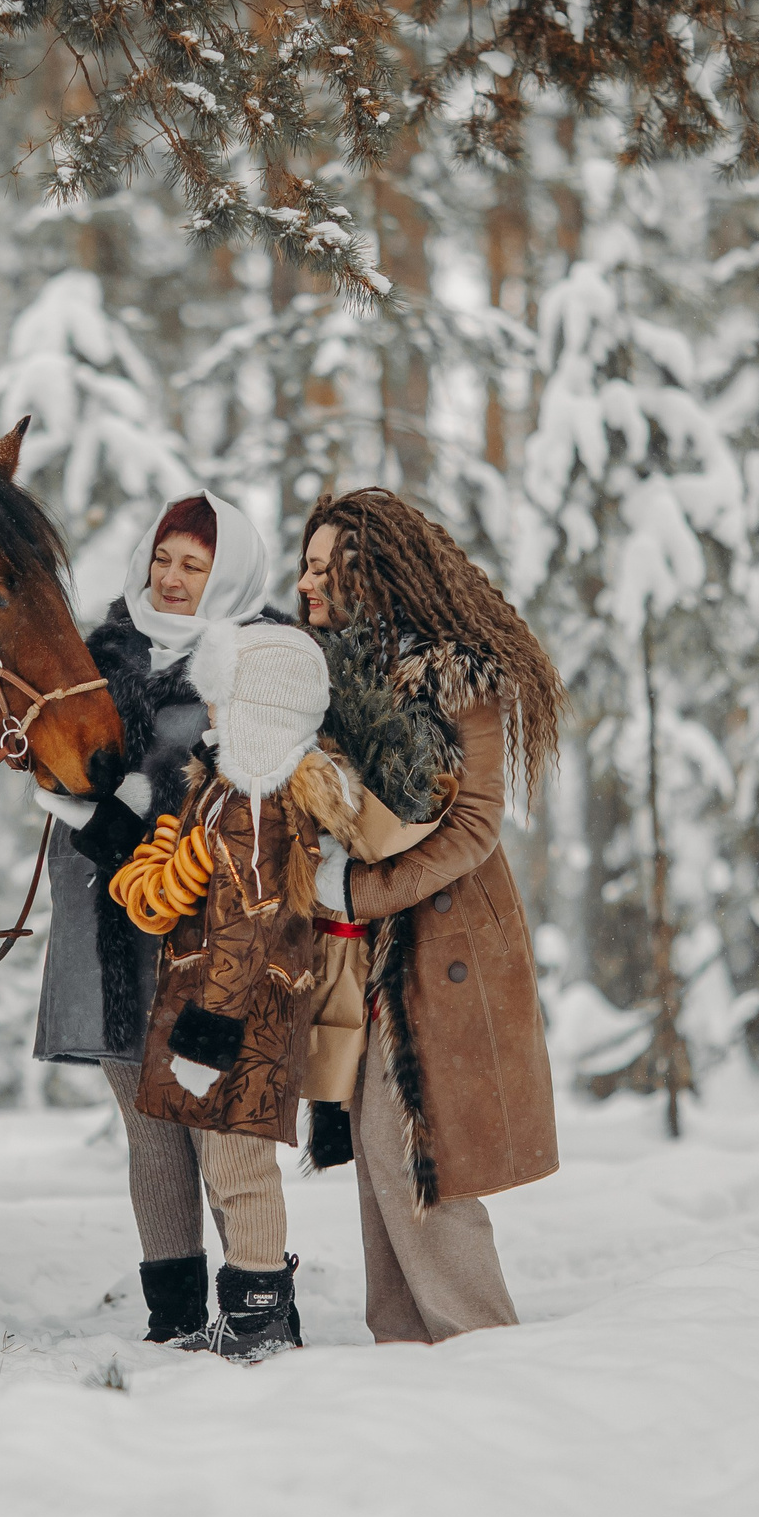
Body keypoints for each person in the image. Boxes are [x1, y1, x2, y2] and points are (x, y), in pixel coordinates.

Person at [296, 488, 567, 1344]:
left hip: (442, 935)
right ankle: (407, 1349)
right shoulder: (334, 673)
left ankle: (477, 1340)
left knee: (421, 1150)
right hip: (368, 948)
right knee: (382, 1148)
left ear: (364, 573)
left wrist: (356, 892)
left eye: (319, 566)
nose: (304, 583)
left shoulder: (457, 672)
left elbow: (474, 826)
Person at [32, 492, 273, 1344]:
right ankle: (173, 1320)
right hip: (105, 920)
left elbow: (247, 797)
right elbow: (64, 762)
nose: (171, 579)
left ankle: (256, 1310)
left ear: (229, 574)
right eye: (163, 558)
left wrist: (124, 811)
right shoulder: (95, 653)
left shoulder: (257, 659)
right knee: (148, 1128)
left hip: (205, 926)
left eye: (194, 565)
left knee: (214, 1121)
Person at [122, 619, 362, 1360]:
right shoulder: (231, 793)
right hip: (227, 1010)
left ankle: (259, 1312)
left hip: (241, 1020)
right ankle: (260, 1311)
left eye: (225, 702)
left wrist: (209, 1030)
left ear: (259, 710)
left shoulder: (256, 810)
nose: (214, 715)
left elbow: (251, 928)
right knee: (233, 1165)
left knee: (239, 1166)